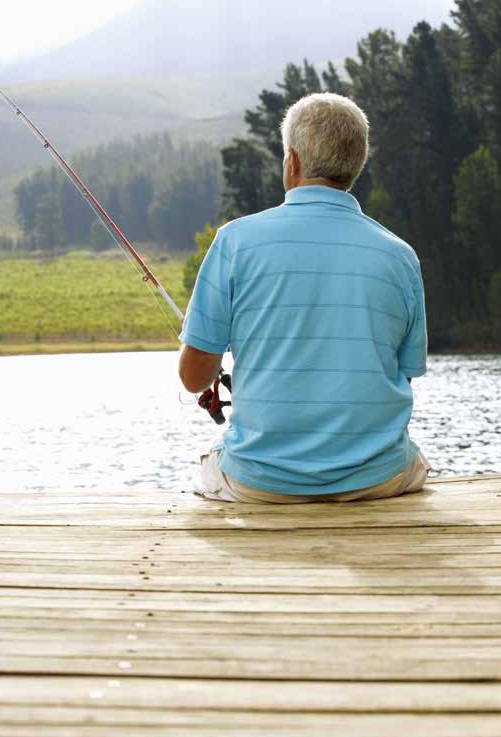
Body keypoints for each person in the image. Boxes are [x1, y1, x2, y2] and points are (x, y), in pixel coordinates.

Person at [178, 92, 431, 504]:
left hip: (259, 483)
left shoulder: (234, 242)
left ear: (291, 162)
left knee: (212, 463)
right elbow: (404, 373)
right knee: (414, 461)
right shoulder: (401, 256)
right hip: (377, 479)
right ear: (356, 165)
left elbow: (193, 378)